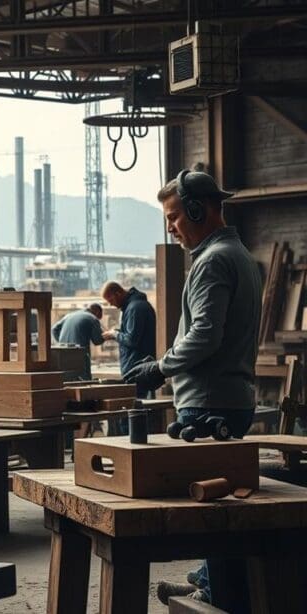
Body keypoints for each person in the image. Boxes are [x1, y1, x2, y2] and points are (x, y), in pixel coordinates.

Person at [123, 170, 261, 610]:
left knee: (210, 512)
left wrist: (159, 368)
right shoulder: (240, 254)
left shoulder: (212, 261)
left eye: (174, 216)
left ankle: (217, 596)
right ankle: (208, 581)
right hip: (230, 400)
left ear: (199, 210)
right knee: (223, 503)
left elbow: (204, 334)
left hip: (208, 404)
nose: (170, 227)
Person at [101, 281, 156, 434]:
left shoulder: (134, 308)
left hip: (136, 369)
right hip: (137, 367)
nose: (111, 305)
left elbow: (132, 340)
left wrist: (114, 334)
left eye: (111, 300)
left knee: (131, 416)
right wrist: (119, 332)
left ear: (118, 293)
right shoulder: (135, 306)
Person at [51, 303, 105, 380]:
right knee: (84, 380)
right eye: (99, 317)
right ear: (97, 312)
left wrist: (61, 343)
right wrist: (107, 335)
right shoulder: (93, 318)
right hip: (80, 354)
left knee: (67, 379)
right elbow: (97, 341)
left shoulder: (69, 315)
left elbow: (54, 329)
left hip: (63, 353)